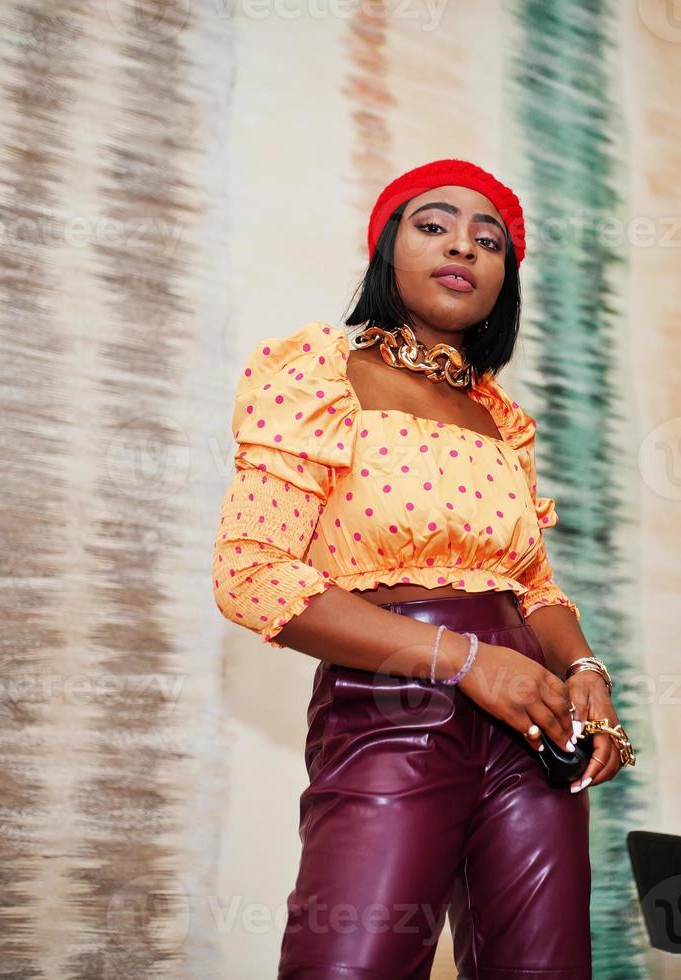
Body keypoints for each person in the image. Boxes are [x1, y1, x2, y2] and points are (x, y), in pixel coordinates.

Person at [211, 158, 635, 979]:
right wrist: (470, 663)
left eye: (490, 241)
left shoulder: (501, 419)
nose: (463, 248)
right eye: (433, 225)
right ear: (386, 251)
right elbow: (251, 573)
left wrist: (582, 668)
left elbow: (531, 586)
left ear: (503, 279)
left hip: (530, 724)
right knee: (350, 964)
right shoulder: (319, 374)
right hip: (391, 710)